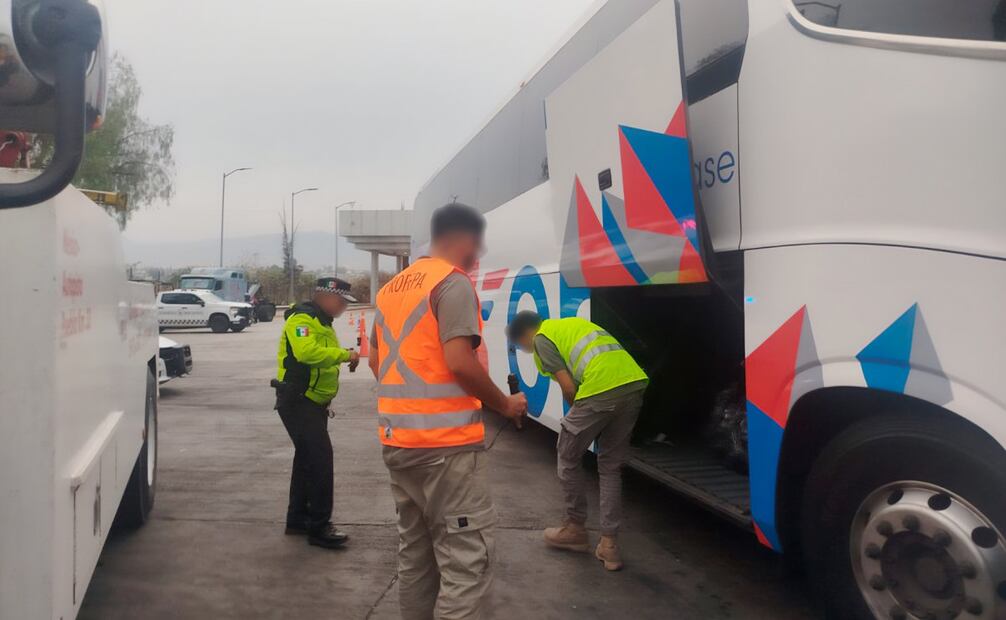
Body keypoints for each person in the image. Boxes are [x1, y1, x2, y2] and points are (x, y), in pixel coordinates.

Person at [369, 203, 527, 620]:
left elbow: (374, 361)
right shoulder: (451, 283)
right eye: (477, 243)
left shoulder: (390, 290)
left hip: (398, 445)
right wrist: (505, 403)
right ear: (462, 238)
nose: (478, 253)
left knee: (416, 560)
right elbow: (459, 362)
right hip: (447, 451)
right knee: (465, 564)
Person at [506, 312, 648, 571]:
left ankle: (575, 529)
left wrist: (577, 417)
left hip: (601, 389)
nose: (525, 350)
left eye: (521, 346)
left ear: (525, 334)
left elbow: (569, 387)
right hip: (633, 385)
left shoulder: (541, 339)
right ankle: (609, 545)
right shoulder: (569, 325)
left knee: (567, 455)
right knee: (610, 466)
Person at [274, 277, 360, 549]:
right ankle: (320, 527)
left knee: (307, 460)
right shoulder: (301, 319)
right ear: (325, 297)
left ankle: (298, 519)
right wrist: (344, 355)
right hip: (298, 401)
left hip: (313, 402)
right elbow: (306, 353)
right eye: (342, 301)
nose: (344, 306)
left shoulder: (322, 322)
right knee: (321, 461)